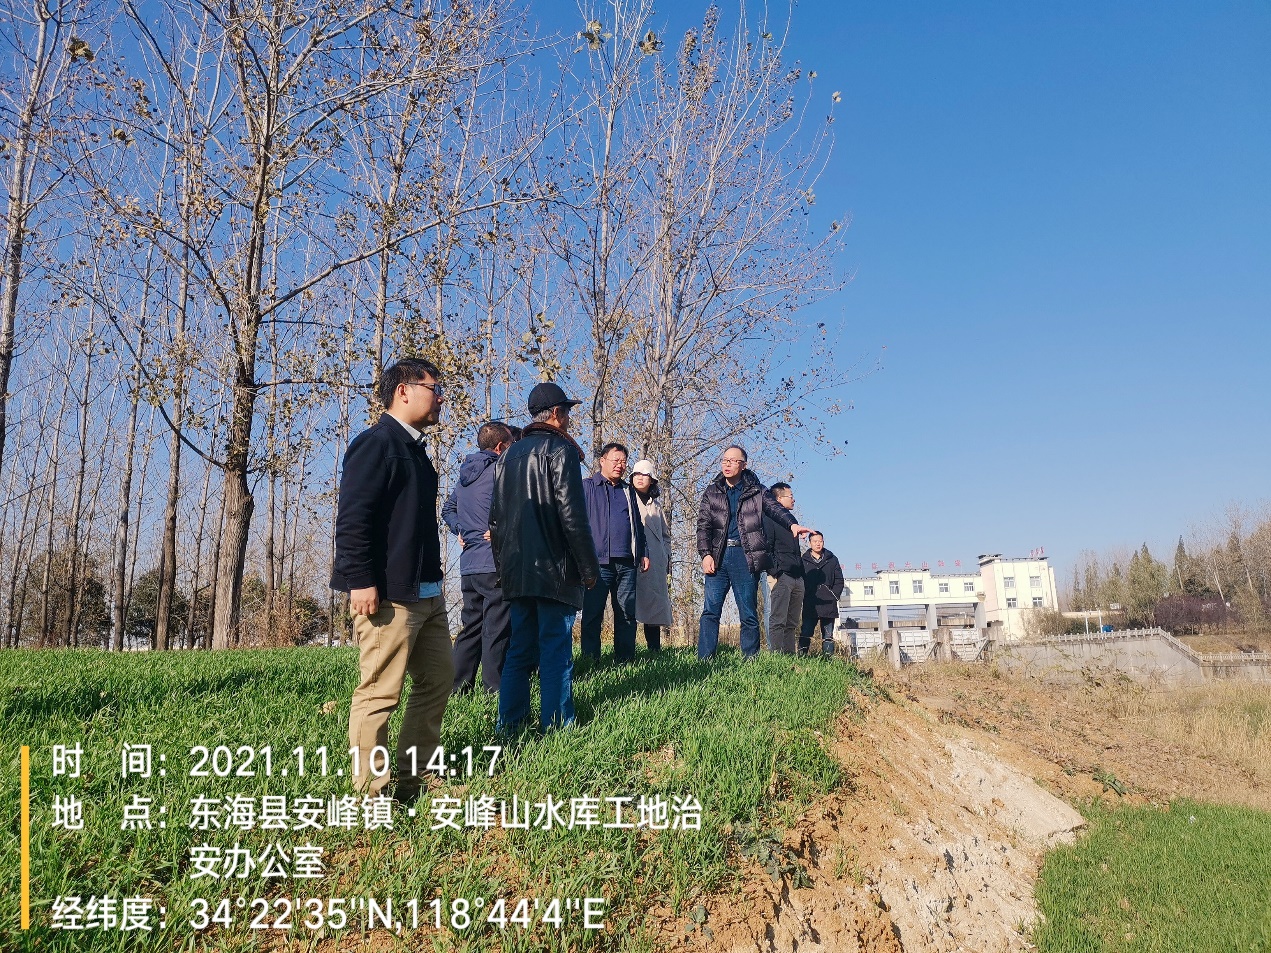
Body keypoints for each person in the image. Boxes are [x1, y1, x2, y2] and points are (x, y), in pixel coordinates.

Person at [330, 357, 451, 803]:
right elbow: (353, 519)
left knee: (439, 679)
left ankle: (412, 779)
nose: (440, 399)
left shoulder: (415, 450)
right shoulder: (376, 444)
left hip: (427, 592)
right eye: (434, 389)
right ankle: (371, 795)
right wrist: (361, 579)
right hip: (389, 595)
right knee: (380, 694)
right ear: (404, 390)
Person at [489, 382, 599, 732]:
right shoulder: (560, 450)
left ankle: (510, 725)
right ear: (555, 414)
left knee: (519, 650)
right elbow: (572, 516)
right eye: (566, 412)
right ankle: (557, 726)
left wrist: (503, 569)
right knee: (555, 649)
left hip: (517, 570)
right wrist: (588, 568)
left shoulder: (507, 456)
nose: (568, 419)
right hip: (555, 569)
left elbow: (496, 521)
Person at [696, 446, 814, 659]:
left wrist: (792, 525)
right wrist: (706, 554)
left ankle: (750, 660)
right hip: (717, 557)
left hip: (745, 556)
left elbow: (776, 509)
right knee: (710, 611)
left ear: (743, 465)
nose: (727, 464)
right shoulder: (712, 491)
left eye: (733, 461)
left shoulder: (757, 491)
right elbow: (703, 525)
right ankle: (705, 659)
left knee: (748, 613)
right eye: (725, 460)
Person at [441, 420, 514, 695]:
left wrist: (460, 529)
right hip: (494, 563)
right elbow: (519, 509)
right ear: (500, 447)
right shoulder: (501, 471)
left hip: (470, 565)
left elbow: (448, 509)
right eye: (511, 443)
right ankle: (494, 690)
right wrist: (499, 529)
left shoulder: (466, 475)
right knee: (496, 628)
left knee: (470, 626)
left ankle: (457, 687)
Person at [580, 443, 649, 662]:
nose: (620, 465)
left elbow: (638, 525)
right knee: (592, 614)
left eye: (623, 462)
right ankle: (590, 661)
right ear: (602, 460)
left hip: (627, 562)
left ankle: (625, 660)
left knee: (626, 614)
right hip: (597, 563)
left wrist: (643, 551)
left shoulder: (628, 491)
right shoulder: (587, 487)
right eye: (615, 460)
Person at [631, 459, 673, 652]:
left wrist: (665, 555)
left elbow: (665, 535)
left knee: (654, 606)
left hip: (655, 562)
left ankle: (654, 651)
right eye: (637, 474)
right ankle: (627, 652)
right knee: (629, 607)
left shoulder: (656, 505)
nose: (640, 478)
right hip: (632, 558)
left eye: (645, 475)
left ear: (652, 480)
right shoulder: (626, 497)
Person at [764, 482, 804, 655]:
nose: (793, 500)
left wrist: (801, 575)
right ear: (779, 498)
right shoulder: (769, 519)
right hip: (782, 576)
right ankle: (776, 656)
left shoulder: (792, 521)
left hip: (797, 577)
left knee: (792, 622)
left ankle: (789, 656)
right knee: (778, 619)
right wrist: (776, 572)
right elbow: (766, 547)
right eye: (791, 496)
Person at [801, 532, 845, 656]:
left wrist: (834, 595)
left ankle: (828, 660)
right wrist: (804, 595)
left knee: (828, 636)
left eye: (820, 541)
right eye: (815, 541)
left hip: (828, 603)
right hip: (810, 602)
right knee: (806, 633)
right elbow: (800, 580)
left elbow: (839, 580)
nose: (818, 544)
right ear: (809, 543)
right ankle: (802, 657)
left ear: (823, 542)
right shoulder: (803, 560)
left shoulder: (832, 559)